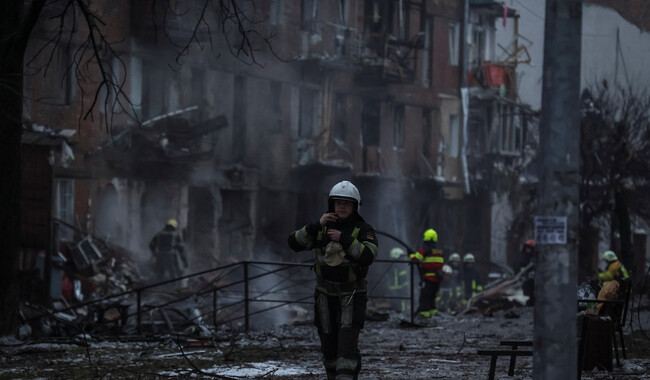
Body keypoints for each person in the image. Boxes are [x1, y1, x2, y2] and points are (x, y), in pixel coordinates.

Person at [288, 180, 378, 380]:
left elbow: (368, 256)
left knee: (346, 346)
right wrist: (314, 226)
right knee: (329, 347)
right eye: (338, 202)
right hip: (324, 297)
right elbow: (294, 243)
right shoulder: (321, 228)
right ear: (331, 205)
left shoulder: (364, 230)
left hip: (351, 296)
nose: (342, 206)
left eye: (347, 203)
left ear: (355, 206)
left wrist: (344, 239)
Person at [409, 228, 444, 318]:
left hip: (428, 278)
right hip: (437, 279)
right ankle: (433, 314)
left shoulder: (424, 250)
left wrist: (410, 254)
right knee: (432, 297)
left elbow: (415, 259)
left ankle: (424, 315)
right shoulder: (439, 251)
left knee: (424, 297)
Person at [388, 247, 409, 312]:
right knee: (402, 301)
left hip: (393, 288)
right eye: (400, 257)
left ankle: (398, 311)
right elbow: (403, 277)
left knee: (395, 302)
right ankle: (402, 312)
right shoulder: (398, 265)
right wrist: (406, 285)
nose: (402, 258)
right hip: (399, 287)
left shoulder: (391, 265)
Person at [517, 240, 536, 306]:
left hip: (527, 279)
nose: (528, 250)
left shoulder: (528, 257)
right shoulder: (523, 257)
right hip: (525, 279)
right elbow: (520, 268)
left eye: (530, 248)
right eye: (527, 248)